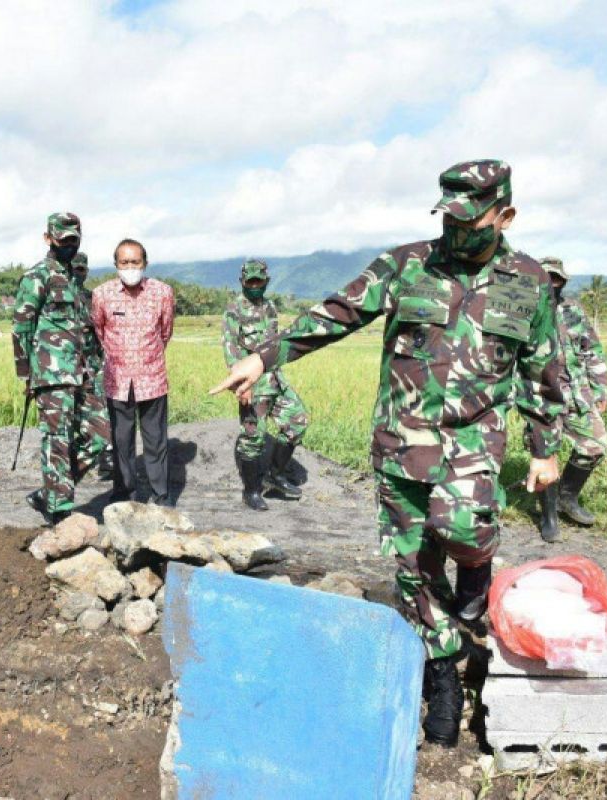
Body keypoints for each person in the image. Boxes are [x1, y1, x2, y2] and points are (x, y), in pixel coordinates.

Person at [211, 160, 564, 746]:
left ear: (505, 215)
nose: (457, 231)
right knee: (413, 566)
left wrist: (545, 449)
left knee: (465, 533)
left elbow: (544, 368)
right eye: (448, 217)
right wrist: (264, 357)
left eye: (471, 221)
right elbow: (337, 312)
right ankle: (443, 673)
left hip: (474, 441)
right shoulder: (406, 263)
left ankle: (477, 572)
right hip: (402, 441)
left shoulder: (529, 282)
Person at [11, 213, 97, 525]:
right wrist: (26, 374)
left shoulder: (75, 280)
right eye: (63, 241)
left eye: (74, 241)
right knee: (57, 440)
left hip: (83, 372)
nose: (69, 246)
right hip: (51, 375)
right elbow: (20, 328)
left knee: (99, 436)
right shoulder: (37, 276)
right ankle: (59, 511)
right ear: (48, 239)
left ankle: (51, 491)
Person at [91, 239, 176, 506]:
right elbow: (99, 331)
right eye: (125, 262)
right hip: (117, 381)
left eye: (135, 262)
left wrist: (146, 356)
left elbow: (166, 332)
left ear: (145, 263)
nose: (130, 267)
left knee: (156, 441)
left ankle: (160, 495)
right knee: (121, 442)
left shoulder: (162, 292)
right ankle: (124, 495)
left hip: (152, 378)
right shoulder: (102, 294)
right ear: (116, 264)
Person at [222, 259, 309, 510]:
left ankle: (275, 475)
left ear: (266, 281)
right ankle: (251, 491)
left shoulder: (270, 307)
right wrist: (243, 384)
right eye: (250, 281)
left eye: (259, 280)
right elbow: (231, 351)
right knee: (253, 437)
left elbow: (274, 344)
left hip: (274, 379)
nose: (255, 285)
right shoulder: (233, 310)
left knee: (297, 421)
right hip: (252, 384)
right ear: (242, 282)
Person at [538, 257, 607, 543]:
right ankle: (548, 515)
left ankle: (566, 497)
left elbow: (591, 350)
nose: (551, 284)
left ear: (563, 281)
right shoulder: (524, 313)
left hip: (576, 394)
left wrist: (601, 388)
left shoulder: (573, 311)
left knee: (595, 444)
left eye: (555, 279)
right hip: (541, 396)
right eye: (545, 278)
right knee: (545, 451)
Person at [72, 252, 113, 481]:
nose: (76, 274)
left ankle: (107, 459)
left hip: (92, 369)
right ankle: (66, 470)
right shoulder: (53, 298)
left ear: (86, 272)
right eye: (73, 269)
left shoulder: (93, 300)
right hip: (63, 372)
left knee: (101, 418)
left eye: (81, 270)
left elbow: (102, 335)